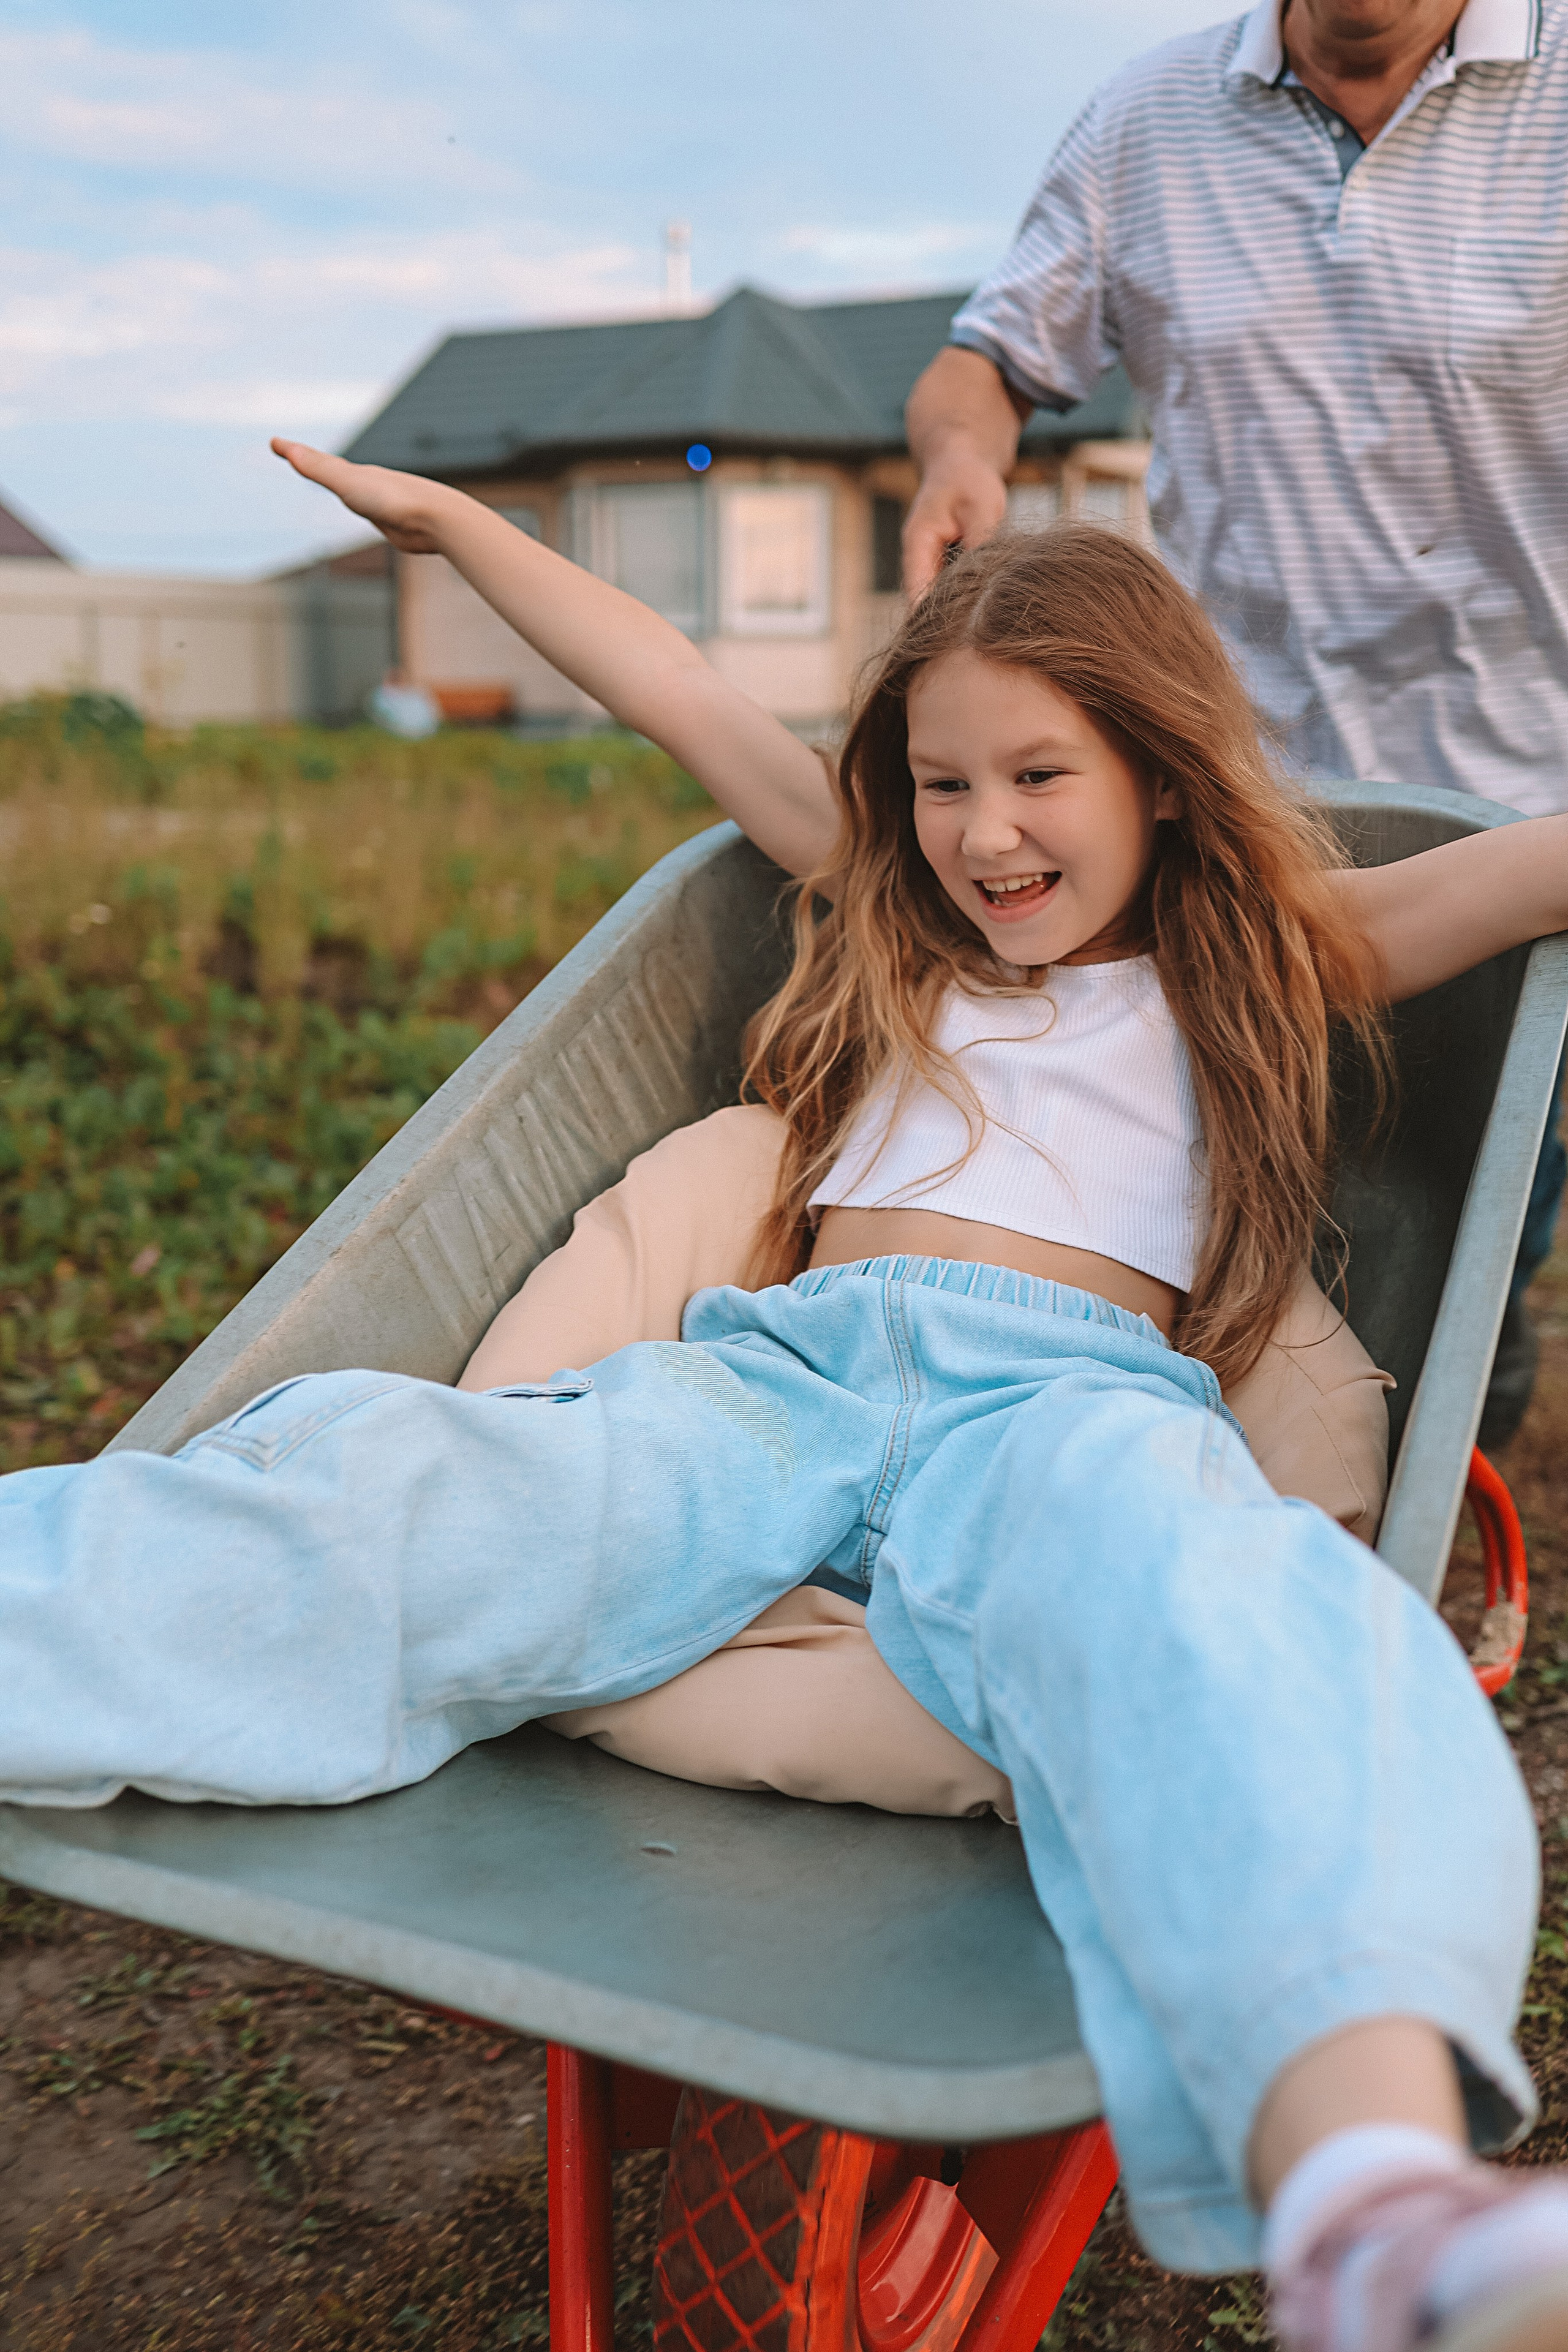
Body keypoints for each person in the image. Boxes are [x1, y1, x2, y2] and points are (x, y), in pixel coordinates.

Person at [5, 441, 1568, 2352]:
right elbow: (670, 682)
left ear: (1161, 771)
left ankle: (1375, 2206)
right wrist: (467, 530)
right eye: (941, 784)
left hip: (1072, 1408)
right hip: (795, 1372)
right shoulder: (892, 912)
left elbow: (1540, 861)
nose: (986, 834)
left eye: (1040, 778)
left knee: (1227, 1611)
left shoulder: (1270, 952)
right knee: (419, 1489)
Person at [902, 0, 1568, 1450]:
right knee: (1250, 1165)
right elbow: (986, 361)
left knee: (1486, 1177)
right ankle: (1251, 1427)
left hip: (1524, 777)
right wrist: (963, 455)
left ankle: (1460, 1407)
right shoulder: (1149, 120)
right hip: (1237, 793)